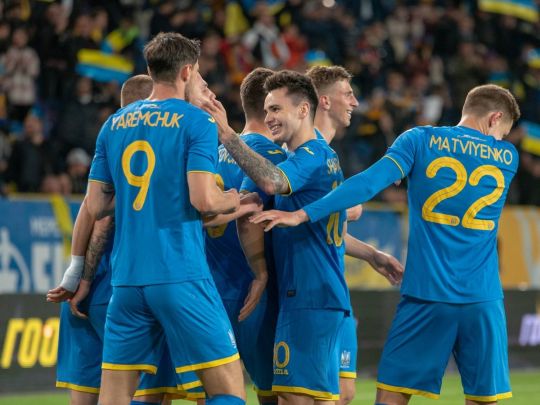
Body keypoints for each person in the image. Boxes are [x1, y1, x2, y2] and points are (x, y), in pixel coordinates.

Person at [251, 84, 520, 405]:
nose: (499, 139)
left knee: (391, 397)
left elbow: (367, 184)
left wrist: (302, 214)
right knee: (483, 399)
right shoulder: (508, 157)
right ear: (495, 118)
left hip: (426, 295)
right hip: (483, 299)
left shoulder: (419, 140)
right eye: (502, 132)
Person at [68, 32, 245, 405]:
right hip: (181, 272)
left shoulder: (113, 124)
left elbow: (96, 205)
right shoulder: (196, 121)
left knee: (115, 396)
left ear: (151, 70)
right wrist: (232, 200)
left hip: (126, 281)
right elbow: (204, 200)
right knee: (228, 387)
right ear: (186, 71)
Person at [48, 74, 204, 405]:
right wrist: (86, 280)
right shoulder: (155, 149)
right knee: (146, 395)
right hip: (126, 285)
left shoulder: (110, 142)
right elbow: (105, 221)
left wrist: (76, 275)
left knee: (87, 396)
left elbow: (89, 208)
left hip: (87, 288)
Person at [204, 70, 348, 405]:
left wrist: (227, 135)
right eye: (267, 109)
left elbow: (270, 184)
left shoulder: (310, 157)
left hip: (309, 294)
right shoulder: (308, 158)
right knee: (309, 397)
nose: (269, 117)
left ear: (303, 110)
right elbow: (259, 207)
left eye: (276, 109)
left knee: (293, 397)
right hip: (307, 293)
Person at [306, 65, 403, 405]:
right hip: (311, 291)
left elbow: (327, 231)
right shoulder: (306, 151)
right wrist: (344, 207)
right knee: (314, 394)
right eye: (347, 94)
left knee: (344, 393)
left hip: (335, 288)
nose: (355, 102)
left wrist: (372, 255)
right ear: (324, 101)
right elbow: (295, 214)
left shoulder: (330, 154)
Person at [204, 67, 285, 405]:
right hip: (253, 291)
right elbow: (251, 214)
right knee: (274, 394)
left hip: (214, 288)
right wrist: (261, 272)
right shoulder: (266, 155)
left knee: (219, 390)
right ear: (269, 107)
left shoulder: (214, 151)